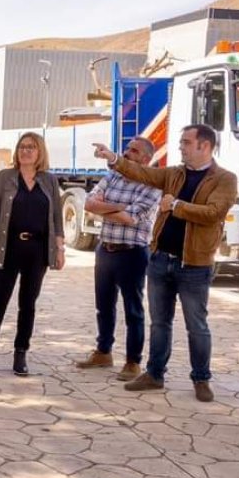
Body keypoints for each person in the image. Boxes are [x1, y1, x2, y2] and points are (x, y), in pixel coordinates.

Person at [93, 124, 237, 402]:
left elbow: (213, 213)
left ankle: (201, 379)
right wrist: (113, 158)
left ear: (204, 146)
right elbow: (142, 172)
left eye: (186, 142)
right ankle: (155, 374)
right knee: (160, 322)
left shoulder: (224, 179)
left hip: (194, 264)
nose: (180, 146)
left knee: (197, 325)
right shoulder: (174, 174)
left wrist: (175, 206)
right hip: (160, 260)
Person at [0, 132, 65, 376]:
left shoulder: (49, 181)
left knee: (28, 304)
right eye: (22, 147)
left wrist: (60, 248)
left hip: (37, 250)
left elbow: (56, 217)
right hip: (8, 247)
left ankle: (20, 353)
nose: (26, 151)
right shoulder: (5, 177)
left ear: (40, 151)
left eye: (31, 147)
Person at [75, 136, 161, 381]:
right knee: (103, 306)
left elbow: (131, 218)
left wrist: (104, 207)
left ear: (146, 158)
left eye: (133, 150)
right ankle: (103, 351)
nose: (127, 153)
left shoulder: (151, 185)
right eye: (127, 149)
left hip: (132, 252)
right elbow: (89, 203)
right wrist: (115, 209)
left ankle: (133, 362)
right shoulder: (113, 176)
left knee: (133, 310)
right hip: (106, 249)